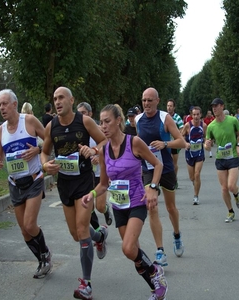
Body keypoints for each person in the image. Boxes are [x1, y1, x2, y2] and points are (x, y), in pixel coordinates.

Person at [81, 104, 168, 300]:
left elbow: (157, 164)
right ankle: (156, 289)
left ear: (118, 120)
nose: (103, 126)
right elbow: (103, 184)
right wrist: (92, 195)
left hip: (137, 202)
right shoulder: (104, 151)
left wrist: (153, 188)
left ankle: (155, 273)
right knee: (133, 253)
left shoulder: (134, 142)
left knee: (128, 248)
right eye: (101, 122)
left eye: (107, 121)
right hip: (119, 207)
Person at [40, 87, 108, 299]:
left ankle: (86, 285)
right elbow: (44, 151)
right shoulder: (51, 126)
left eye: (61, 98)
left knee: (81, 229)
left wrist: (94, 150)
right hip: (65, 184)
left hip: (83, 182)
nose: (57, 102)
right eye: (55, 99)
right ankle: (99, 236)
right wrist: (45, 166)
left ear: (71, 100)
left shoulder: (85, 122)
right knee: (76, 234)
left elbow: (104, 142)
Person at [0, 89, 52, 279]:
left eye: (5, 103)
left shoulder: (29, 121)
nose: (1, 107)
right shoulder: (1, 130)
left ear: (14, 104)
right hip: (14, 183)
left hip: (34, 179)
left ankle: (45, 255)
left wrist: (37, 150)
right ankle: (41, 260)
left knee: (30, 224)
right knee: (24, 232)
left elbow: (49, 142)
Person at [135, 87, 186, 266]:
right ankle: (160, 251)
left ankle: (177, 234)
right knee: (152, 206)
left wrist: (165, 144)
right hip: (148, 169)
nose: (146, 104)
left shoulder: (165, 118)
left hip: (166, 169)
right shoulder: (138, 120)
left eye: (150, 100)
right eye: (144, 100)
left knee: (171, 208)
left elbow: (182, 142)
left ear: (157, 101)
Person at [205, 98, 239, 223]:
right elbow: (207, 144)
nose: (214, 108)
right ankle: (230, 211)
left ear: (222, 106)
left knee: (231, 186)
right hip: (220, 159)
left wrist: (238, 145)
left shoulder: (232, 120)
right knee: (224, 188)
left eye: (216, 106)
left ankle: (236, 195)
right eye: (213, 107)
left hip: (232, 157)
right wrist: (207, 145)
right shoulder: (211, 126)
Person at [77, 101, 113, 226]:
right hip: (85, 174)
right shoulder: (77, 132)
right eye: (79, 114)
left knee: (100, 206)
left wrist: (99, 157)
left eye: (84, 113)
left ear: (90, 114)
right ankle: (98, 233)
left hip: (99, 173)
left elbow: (109, 145)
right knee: (88, 206)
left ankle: (106, 210)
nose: (82, 116)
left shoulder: (99, 129)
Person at [181, 106, 207, 205]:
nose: (196, 116)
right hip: (190, 153)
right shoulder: (188, 125)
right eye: (194, 114)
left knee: (197, 174)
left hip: (199, 153)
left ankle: (196, 196)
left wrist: (206, 142)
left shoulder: (204, 126)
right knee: (192, 177)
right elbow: (181, 136)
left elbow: (205, 137)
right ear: (191, 115)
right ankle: (195, 182)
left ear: (200, 115)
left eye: (198, 114)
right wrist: (185, 143)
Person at [166, 99, 184, 188]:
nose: (169, 108)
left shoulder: (177, 117)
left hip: (174, 143)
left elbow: (182, 129)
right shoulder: (164, 116)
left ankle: (174, 179)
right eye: (168, 106)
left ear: (174, 107)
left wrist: (178, 137)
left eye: (171, 106)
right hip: (166, 142)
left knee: (174, 163)